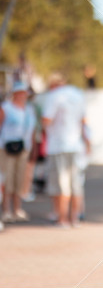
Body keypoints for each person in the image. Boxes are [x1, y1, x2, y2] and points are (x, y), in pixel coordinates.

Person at [41, 72, 90, 228]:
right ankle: (74, 219)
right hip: (75, 145)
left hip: (58, 145)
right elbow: (83, 121)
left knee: (61, 184)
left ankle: (62, 219)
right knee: (75, 184)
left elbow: (46, 120)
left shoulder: (54, 96)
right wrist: (87, 141)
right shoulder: (77, 94)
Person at [0, 82, 36, 223]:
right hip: (6, 147)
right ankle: (7, 210)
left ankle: (17, 208)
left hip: (23, 148)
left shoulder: (29, 109)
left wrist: (33, 146)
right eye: (20, 92)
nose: (22, 95)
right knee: (7, 178)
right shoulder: (6, 108)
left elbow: (32, 130)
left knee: (20, 178)